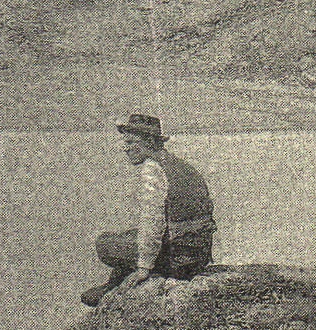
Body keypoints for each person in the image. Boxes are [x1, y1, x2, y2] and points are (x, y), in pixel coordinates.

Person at [81, 114, 216, 307]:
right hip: (198, 255)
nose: (125, 148)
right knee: (130, 237)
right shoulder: (179, 165)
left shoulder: (153, 169)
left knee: (104, 244)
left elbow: (153, 223)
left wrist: (145, 267)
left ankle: (113, 288)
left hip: (177, 259)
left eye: (131, 142)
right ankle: (112, 286)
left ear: (150, 142)